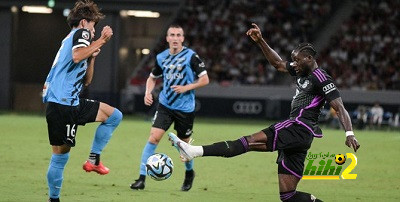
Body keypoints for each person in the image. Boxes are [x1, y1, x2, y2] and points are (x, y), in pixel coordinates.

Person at [168, 23, 360, 201]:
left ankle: (195, 151)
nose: (294, 63)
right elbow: (277, 64)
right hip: (300, 138)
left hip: (299, 127)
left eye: (297, 60)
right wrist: (260, 41)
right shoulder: (301, 70)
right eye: (293, 60)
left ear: (309, 58)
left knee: (249, 141)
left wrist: (349, 133)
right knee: (288, 195)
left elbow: (339, 106)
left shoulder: (320, 77)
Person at [42, 1, 123, 201]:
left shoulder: (69, 40)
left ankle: (93, 160)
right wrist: (102, 40)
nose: (93, 31)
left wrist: (92, 57)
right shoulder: (82, 33)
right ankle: (54, 198)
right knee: (60, 156)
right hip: (64, 103)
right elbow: (78, 56)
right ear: (85, 22)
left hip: (66, 102)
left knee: (113, 115)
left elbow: (86, 80)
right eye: (93, 26)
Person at [130, 24, 209, 191]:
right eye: (172, 35)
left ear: (182, 38)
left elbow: (204, 79)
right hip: (165, 105)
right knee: (153, 138)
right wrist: (147, 93)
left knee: (184, 146)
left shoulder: (191, 56)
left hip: (185, 108)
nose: (175, 38)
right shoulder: (161, 57)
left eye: (178, 35)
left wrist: (186, 88)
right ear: (167, 38)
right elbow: (152, 78)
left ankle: (189, 173)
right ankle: (141, 178)